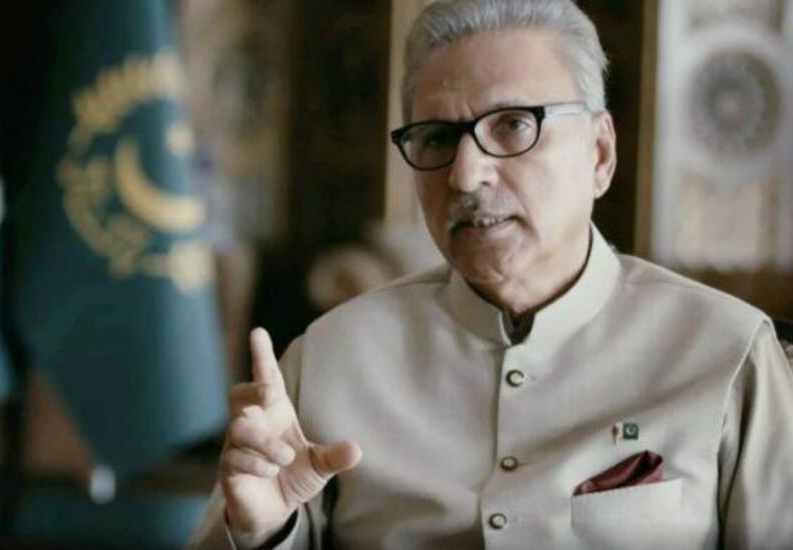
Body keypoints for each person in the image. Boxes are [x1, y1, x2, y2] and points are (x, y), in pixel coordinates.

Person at [189, 0, 793, 548]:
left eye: (513, 125)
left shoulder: (727, 353)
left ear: (600, 153)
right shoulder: (330, 358)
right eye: (437, 138)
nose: (465, 175)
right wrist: (264, 534)